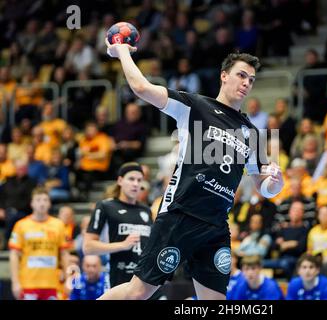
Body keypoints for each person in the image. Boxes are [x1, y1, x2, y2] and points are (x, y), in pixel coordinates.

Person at [98, 41, 284, 300]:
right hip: (180, 215)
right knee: (138, 292)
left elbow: (263, 187)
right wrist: (122, 53)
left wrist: (277, 180)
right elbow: (142, 88)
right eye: (241, 75)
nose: (246, 83)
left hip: (216, 225)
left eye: (251, 80)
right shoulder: (195, 106)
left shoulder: (251, 132)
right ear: (224, 76)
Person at [83, 162, 155, 292]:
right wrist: (122, 245)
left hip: (143, 280)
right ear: (120, 180)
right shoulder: (106, 207)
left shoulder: (146, 210)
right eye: (131, 179)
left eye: (139, 180)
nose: (135, 184)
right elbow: (88, 247)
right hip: (116, 279)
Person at [8, 187, 69, 300]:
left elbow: (64, 254)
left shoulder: (59, 225)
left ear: (50, 203)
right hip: (28, 284)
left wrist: (68, 279)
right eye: (38, 200)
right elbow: (14, 255)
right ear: (32, 203)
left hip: (53, 284)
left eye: (45, 200)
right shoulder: (21, 225)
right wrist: (15, 282)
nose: (42, 203)